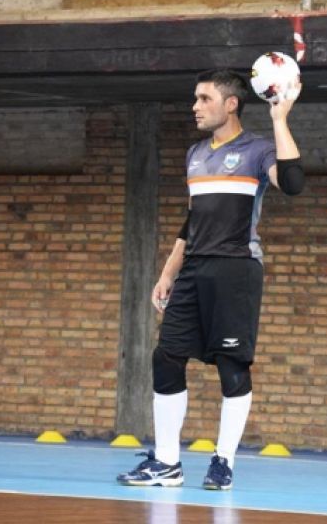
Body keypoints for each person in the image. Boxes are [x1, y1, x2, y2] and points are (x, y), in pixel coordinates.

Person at [117, 69, 304, 490]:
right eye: (195, 99)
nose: (195, 107)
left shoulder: (258, 151)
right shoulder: (196, 153)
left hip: (237, 269)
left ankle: (223, 461)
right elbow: (193, 219)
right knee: (166, 357)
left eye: (204, 99)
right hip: (193, 269)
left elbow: (293, 184)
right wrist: (168, 272)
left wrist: (279, 120)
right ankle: (167, 463)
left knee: (231, 366)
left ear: (231, 104)